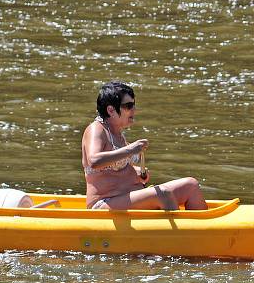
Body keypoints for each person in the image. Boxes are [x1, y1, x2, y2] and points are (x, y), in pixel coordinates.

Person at [81, 81, 207, 211]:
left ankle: (204, 229)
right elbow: (94, 161)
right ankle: (179, 230)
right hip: (104, 203)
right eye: (128, 106)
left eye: (134, 105)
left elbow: (115, 170)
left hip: (128, 197)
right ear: (111, 110)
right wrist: (131, 149)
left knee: (191, 185)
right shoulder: (96, 129)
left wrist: (138, 173)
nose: (134, 109)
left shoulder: (117, 133)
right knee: (163, 194)